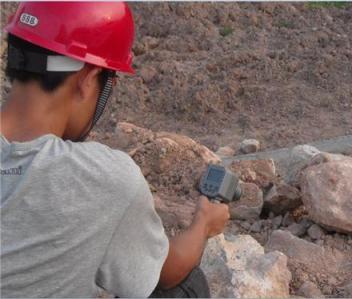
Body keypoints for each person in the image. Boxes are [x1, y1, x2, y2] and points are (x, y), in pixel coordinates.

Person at [0, 2, 230, 298]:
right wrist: (204, 224)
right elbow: (169, 271)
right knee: (184, 287)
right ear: (88, 78)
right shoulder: (102, 177)